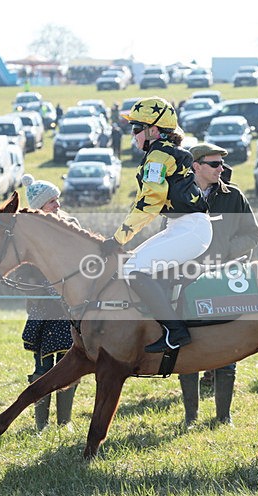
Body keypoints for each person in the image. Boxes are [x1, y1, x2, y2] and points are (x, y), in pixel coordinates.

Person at [99, 96, 211, 353]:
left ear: (154, 130)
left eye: (137, 129)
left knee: (134, 271)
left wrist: (118, 239)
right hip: (183, 227)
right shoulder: (160, 153)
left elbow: (149, 203)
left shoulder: (159, 155)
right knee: (133, 267)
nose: (134, 135)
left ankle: (176, 331)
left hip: (190, 228)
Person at [177, 143, 258, 427]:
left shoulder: (233, 196)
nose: (221, 169)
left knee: (227, 346)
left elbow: (252, 234)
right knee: (186, 344)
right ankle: (190, 417)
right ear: (196, 166)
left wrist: (224, 253)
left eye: (222, 165)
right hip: (186, 279)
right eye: (214, 165)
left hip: (225, 279)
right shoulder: (178, 197)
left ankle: (223, 417)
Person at [20, 174, 80, 431]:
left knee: (69, 364)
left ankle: (64, 422)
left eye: (57, 200)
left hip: (70, 309)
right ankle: (41, 425)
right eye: (51, 202)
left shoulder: (71, 224)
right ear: (39, 208)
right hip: (44, 310)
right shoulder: (29, 235)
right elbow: (25, 274)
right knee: (43, 367)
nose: (57, 205)